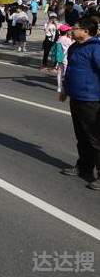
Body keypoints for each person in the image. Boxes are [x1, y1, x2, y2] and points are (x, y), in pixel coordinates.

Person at [59, 19, 100, 191]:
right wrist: (65, 90)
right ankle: (84, 166)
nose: (71, 31)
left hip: (91, 99)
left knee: (95, 138)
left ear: (85, 31)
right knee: (82, 136)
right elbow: (70, 71)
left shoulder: (96, 48)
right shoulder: (75, 47)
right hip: (76, 98)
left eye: (74, 29)